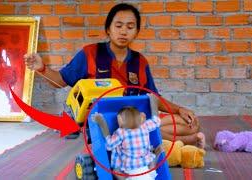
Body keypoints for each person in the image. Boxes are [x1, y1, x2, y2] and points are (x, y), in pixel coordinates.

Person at [24, 3, 205, 148]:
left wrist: (180, 109)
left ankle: (160, 138)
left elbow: (153, 98)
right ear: (108, 29)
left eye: (130, 26)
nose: (123, 31)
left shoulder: (140, 61)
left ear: (136, 32)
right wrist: (42, 68)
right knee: (140, 129)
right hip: (104, 121)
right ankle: (187, 141)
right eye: (118, 26)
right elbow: (61, 81)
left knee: (190, 123)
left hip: (137, 117)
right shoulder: (90, 53)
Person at [93, 107, 160, 180]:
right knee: (116, 171)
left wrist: (153, 101)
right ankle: (154, 155)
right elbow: (157, 121)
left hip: (143, 166)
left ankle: (154, 155)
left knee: (116, 169)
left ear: (120, 119)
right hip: (139, 167)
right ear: (139, 118)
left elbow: (109, 145)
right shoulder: (144, 126)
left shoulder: (124, 132)